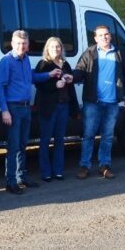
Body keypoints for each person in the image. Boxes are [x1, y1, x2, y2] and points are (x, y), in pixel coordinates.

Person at [0, 30, 57, 194]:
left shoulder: (26, 59)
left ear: (28, 45)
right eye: (18, 43)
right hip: (13, 108)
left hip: (25, 107)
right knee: (13, 146)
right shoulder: (6, 62)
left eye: (24, 43)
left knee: (23, 144)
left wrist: (49, 75)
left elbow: (31, 78)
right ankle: (11, 181)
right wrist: (4, 111)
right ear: (12, 44)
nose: (21, 46)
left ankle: (22, 176)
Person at [73, 25, 125, 179]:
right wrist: (71, 77)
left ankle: (104, 166)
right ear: (95, 38)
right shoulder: (90, 52)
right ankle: (84, 166)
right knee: (88, 135)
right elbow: (80, 69)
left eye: (106, 34)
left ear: (110, 36)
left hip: (112, 102)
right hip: (93, 102)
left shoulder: (120, 52)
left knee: (107, 136)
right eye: (100, 35)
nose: (104, 37)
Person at [34, 37, 79, 182]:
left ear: (61, 49)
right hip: (48, 108)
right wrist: (55, 85)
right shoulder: (43, 64)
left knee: (60, 140)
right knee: (45, 140)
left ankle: (58, 170)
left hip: (63, 106)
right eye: (52, 47)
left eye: (58, 47)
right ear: (47, 49)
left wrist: (68, 79)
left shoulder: (65, 64)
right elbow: (38, 85)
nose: (55, 49)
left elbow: (71, 88)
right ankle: (46, 172)